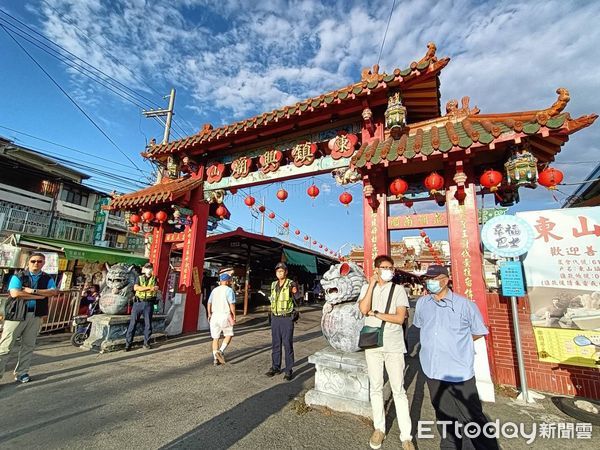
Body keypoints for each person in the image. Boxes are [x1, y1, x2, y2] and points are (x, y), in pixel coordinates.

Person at [413, 265, 499, 450]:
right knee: (443, 414)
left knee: (472, 417)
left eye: (435, 278)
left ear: (446, 280)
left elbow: (478, 332)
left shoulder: (465, 305)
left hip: (458, 370)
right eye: (428, 278)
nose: (430, 282)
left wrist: (457, 343)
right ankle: (449, 446)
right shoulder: (422, 303)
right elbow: (421, 326)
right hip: (432, 369)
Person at [358, 255, 414, 450]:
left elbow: (400, 318)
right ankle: (379, 428)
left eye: (391, 267)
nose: (389, 270)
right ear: (376, 269)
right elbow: (363, 309)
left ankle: (406, 436)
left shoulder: (398, 290)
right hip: (373, 345)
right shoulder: (366, 288)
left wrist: (377, 314)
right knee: (375, 387)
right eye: (384, 267)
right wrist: (372, 286)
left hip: (394, 345)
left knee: (398, 390)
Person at [0, 253, 58, 384]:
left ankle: (22, 372)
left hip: (35, 315)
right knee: (5, 346)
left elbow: (53, 292)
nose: (36, 263)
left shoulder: (47, 277)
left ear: (43, 263)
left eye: (39, 261)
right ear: (28, 262)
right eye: (33, 261)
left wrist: (33, 291)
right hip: (16, 314)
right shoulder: (19, 276)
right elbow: (15, 293)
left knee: (28, 346)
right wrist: (40, 296)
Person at [265, 262, 298, 381]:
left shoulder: (290, 284)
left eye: (282, 271)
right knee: (275, 344)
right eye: (278, 271)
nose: (279, 272)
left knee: (287, 343)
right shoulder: (273, 284)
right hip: (275, 317)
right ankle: (275, 367)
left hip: (287, 318)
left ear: (286, 272)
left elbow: (298, 297)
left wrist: (295, 291)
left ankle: (289, 369)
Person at [125, 262, 159, 351]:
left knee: (148, 325)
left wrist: (149, 288)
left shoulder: (154, 278)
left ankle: (146, 343)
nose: (149, 269)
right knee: (133, 323)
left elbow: (155, 289)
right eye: (147, 268)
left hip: (149, 303)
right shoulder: (139, 278)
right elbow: (136, 288)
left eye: (150, 268)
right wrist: (149, 288)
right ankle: (128, 344)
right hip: (138, 303)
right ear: (144, 269)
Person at [207, 272, 236, 365]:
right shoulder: (229, 290)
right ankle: (221, 351)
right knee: (229, 334)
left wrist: (209, 314)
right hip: (225, 315)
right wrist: (234, 315)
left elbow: (209, 303)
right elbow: (231, 304)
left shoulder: (214, 290)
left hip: (214, 316)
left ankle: (215, 359)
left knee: (215, 338)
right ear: (227, 281)